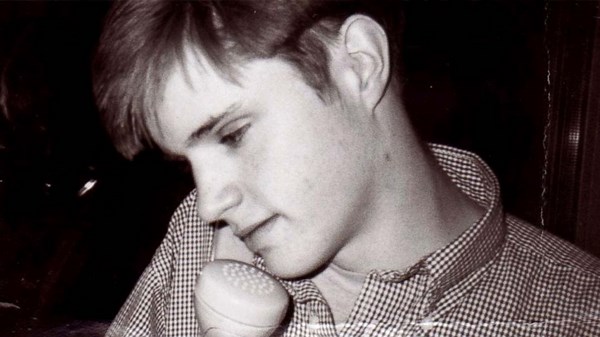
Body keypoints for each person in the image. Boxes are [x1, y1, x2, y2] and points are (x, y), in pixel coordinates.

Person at [93, 0, 600, 336]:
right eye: (188, 164)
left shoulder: (577, 314)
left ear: (359, 62)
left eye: (233, 135)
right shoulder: (196, 245)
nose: (209, 205)